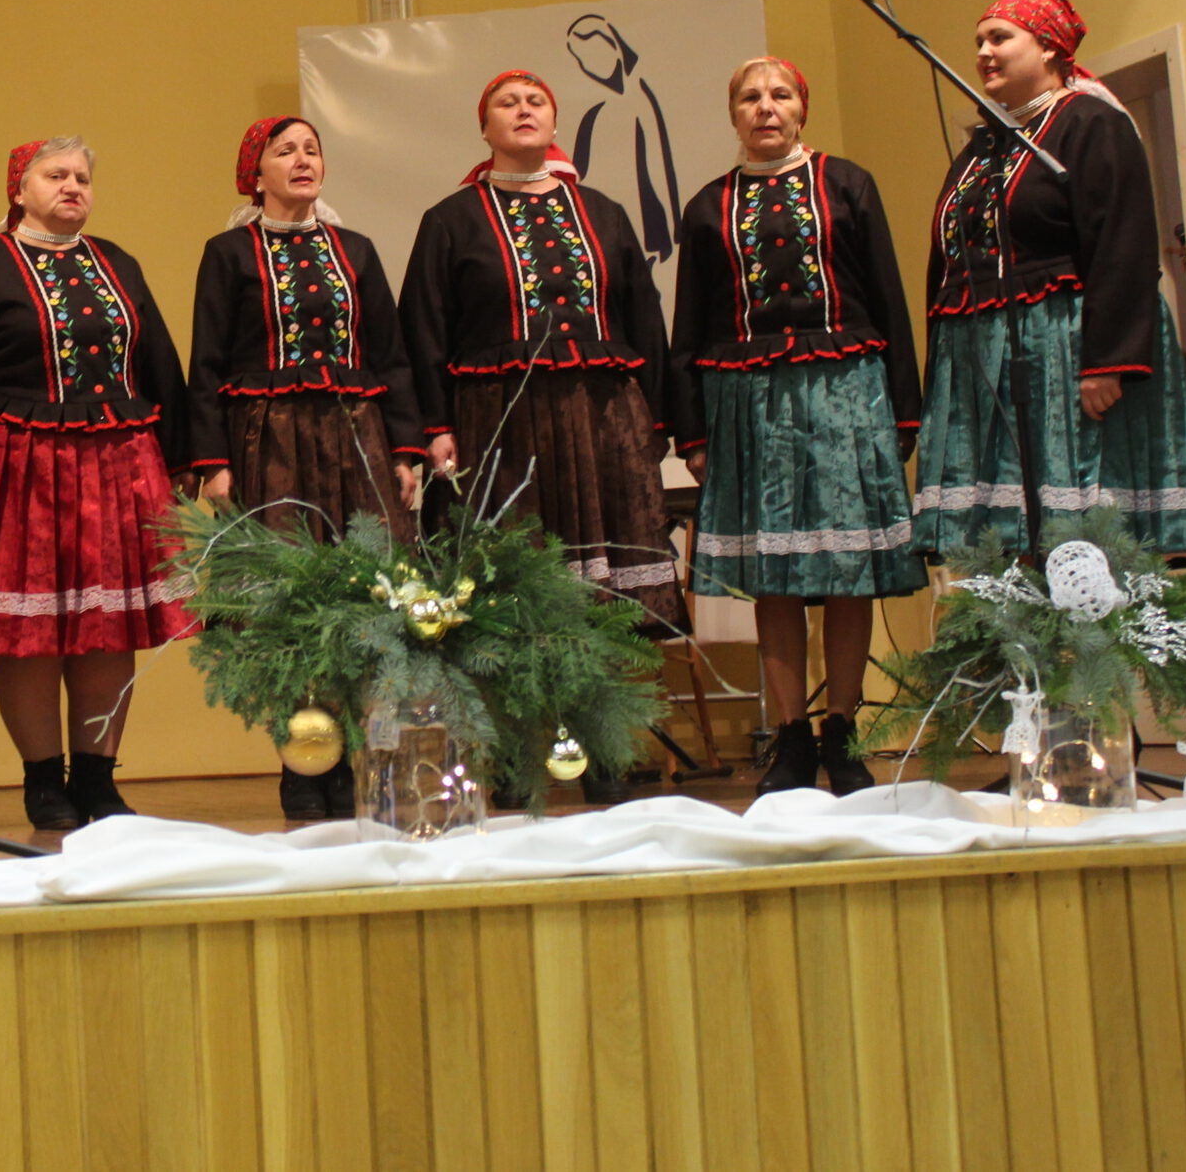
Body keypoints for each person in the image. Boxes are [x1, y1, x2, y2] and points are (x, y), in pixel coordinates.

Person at [400, 71, 681, 800]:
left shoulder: (604, 213)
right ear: (484, 127)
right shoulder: (451, 220)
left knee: (599, 594)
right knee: (508, 591)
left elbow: (644, 319)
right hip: (497, 428)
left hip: (599, 423)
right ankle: (514, 759)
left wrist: (655, 420)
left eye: (536, 102)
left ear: (554, 122)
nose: (523, 110)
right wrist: (434, 428)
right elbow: (422, 329)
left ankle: (606, 748)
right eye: (507, 103)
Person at [0, 138, 194, 830]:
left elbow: (157, 359)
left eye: (82, 177)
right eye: (56, 175)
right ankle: (43, 780)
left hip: (117, 464)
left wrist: (186, 455)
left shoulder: (116, 262)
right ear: (19, 189)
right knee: (28, 630)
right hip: (20, 469)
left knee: (108, 625)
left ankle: (97, 780)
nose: (73, 186)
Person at [668, 58, 924, 795]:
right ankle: (791, 737)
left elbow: (888, 295)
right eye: (749, 96)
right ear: (734, 114)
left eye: (780, 94)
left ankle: (842, 729)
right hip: (747, 403)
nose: (765, 107)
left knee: (848, 572)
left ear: (801, 108)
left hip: (847, 393)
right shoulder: (707, 206)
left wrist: (902, 407)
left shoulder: (849, 184)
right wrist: (694, 432)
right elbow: (690, 323)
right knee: (772, 575)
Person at [912, 0, 1186, 560]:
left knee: (1084, 530)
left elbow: (1122, 243)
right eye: (979, 42)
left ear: (1049, 47)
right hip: (986, 352)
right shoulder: (984, 145)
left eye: (1000, 38)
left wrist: (1109, 360)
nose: (984, 52)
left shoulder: (1091, 122)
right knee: (1008, 539)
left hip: (1064, 346)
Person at [188, 115, 424, 819]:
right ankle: (302, 759)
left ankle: (355, 756)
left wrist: (405, 448)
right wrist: (214, 463)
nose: (302, 160)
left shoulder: (355, 250)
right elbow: (206, 362)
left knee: (365, 593)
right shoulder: (229, 253)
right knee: (286, 601)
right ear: (254, 172)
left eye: (312, 150)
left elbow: (391, 355)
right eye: (285, 150)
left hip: (355, 438)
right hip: (271, 443)